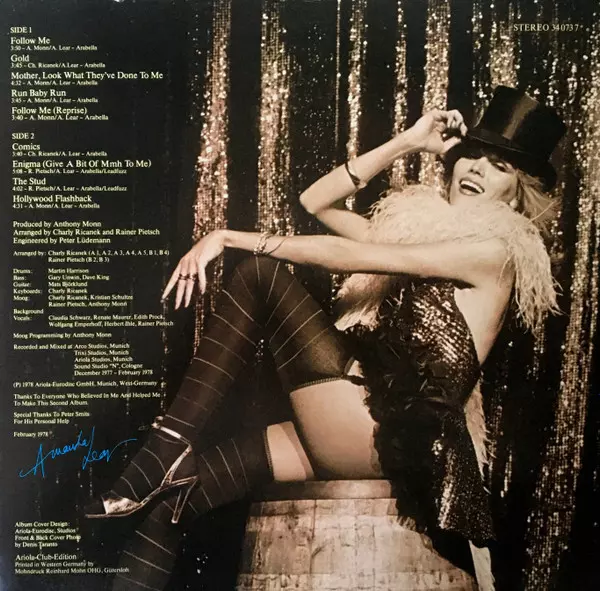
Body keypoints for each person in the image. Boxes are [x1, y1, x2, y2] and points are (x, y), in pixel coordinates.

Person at [84, 86, 566, 591]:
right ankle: (162, 469)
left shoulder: (495, 251)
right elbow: (315, 200)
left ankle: (161, 450)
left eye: (499, 166)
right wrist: (409, 141)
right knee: (177, 500)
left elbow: (354, 256)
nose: (477, 169)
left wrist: (229, 237)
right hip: (355, 425)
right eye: (473, 155)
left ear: (518, 192)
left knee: (259, 275)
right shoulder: (428, 236)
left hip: (386, 434)